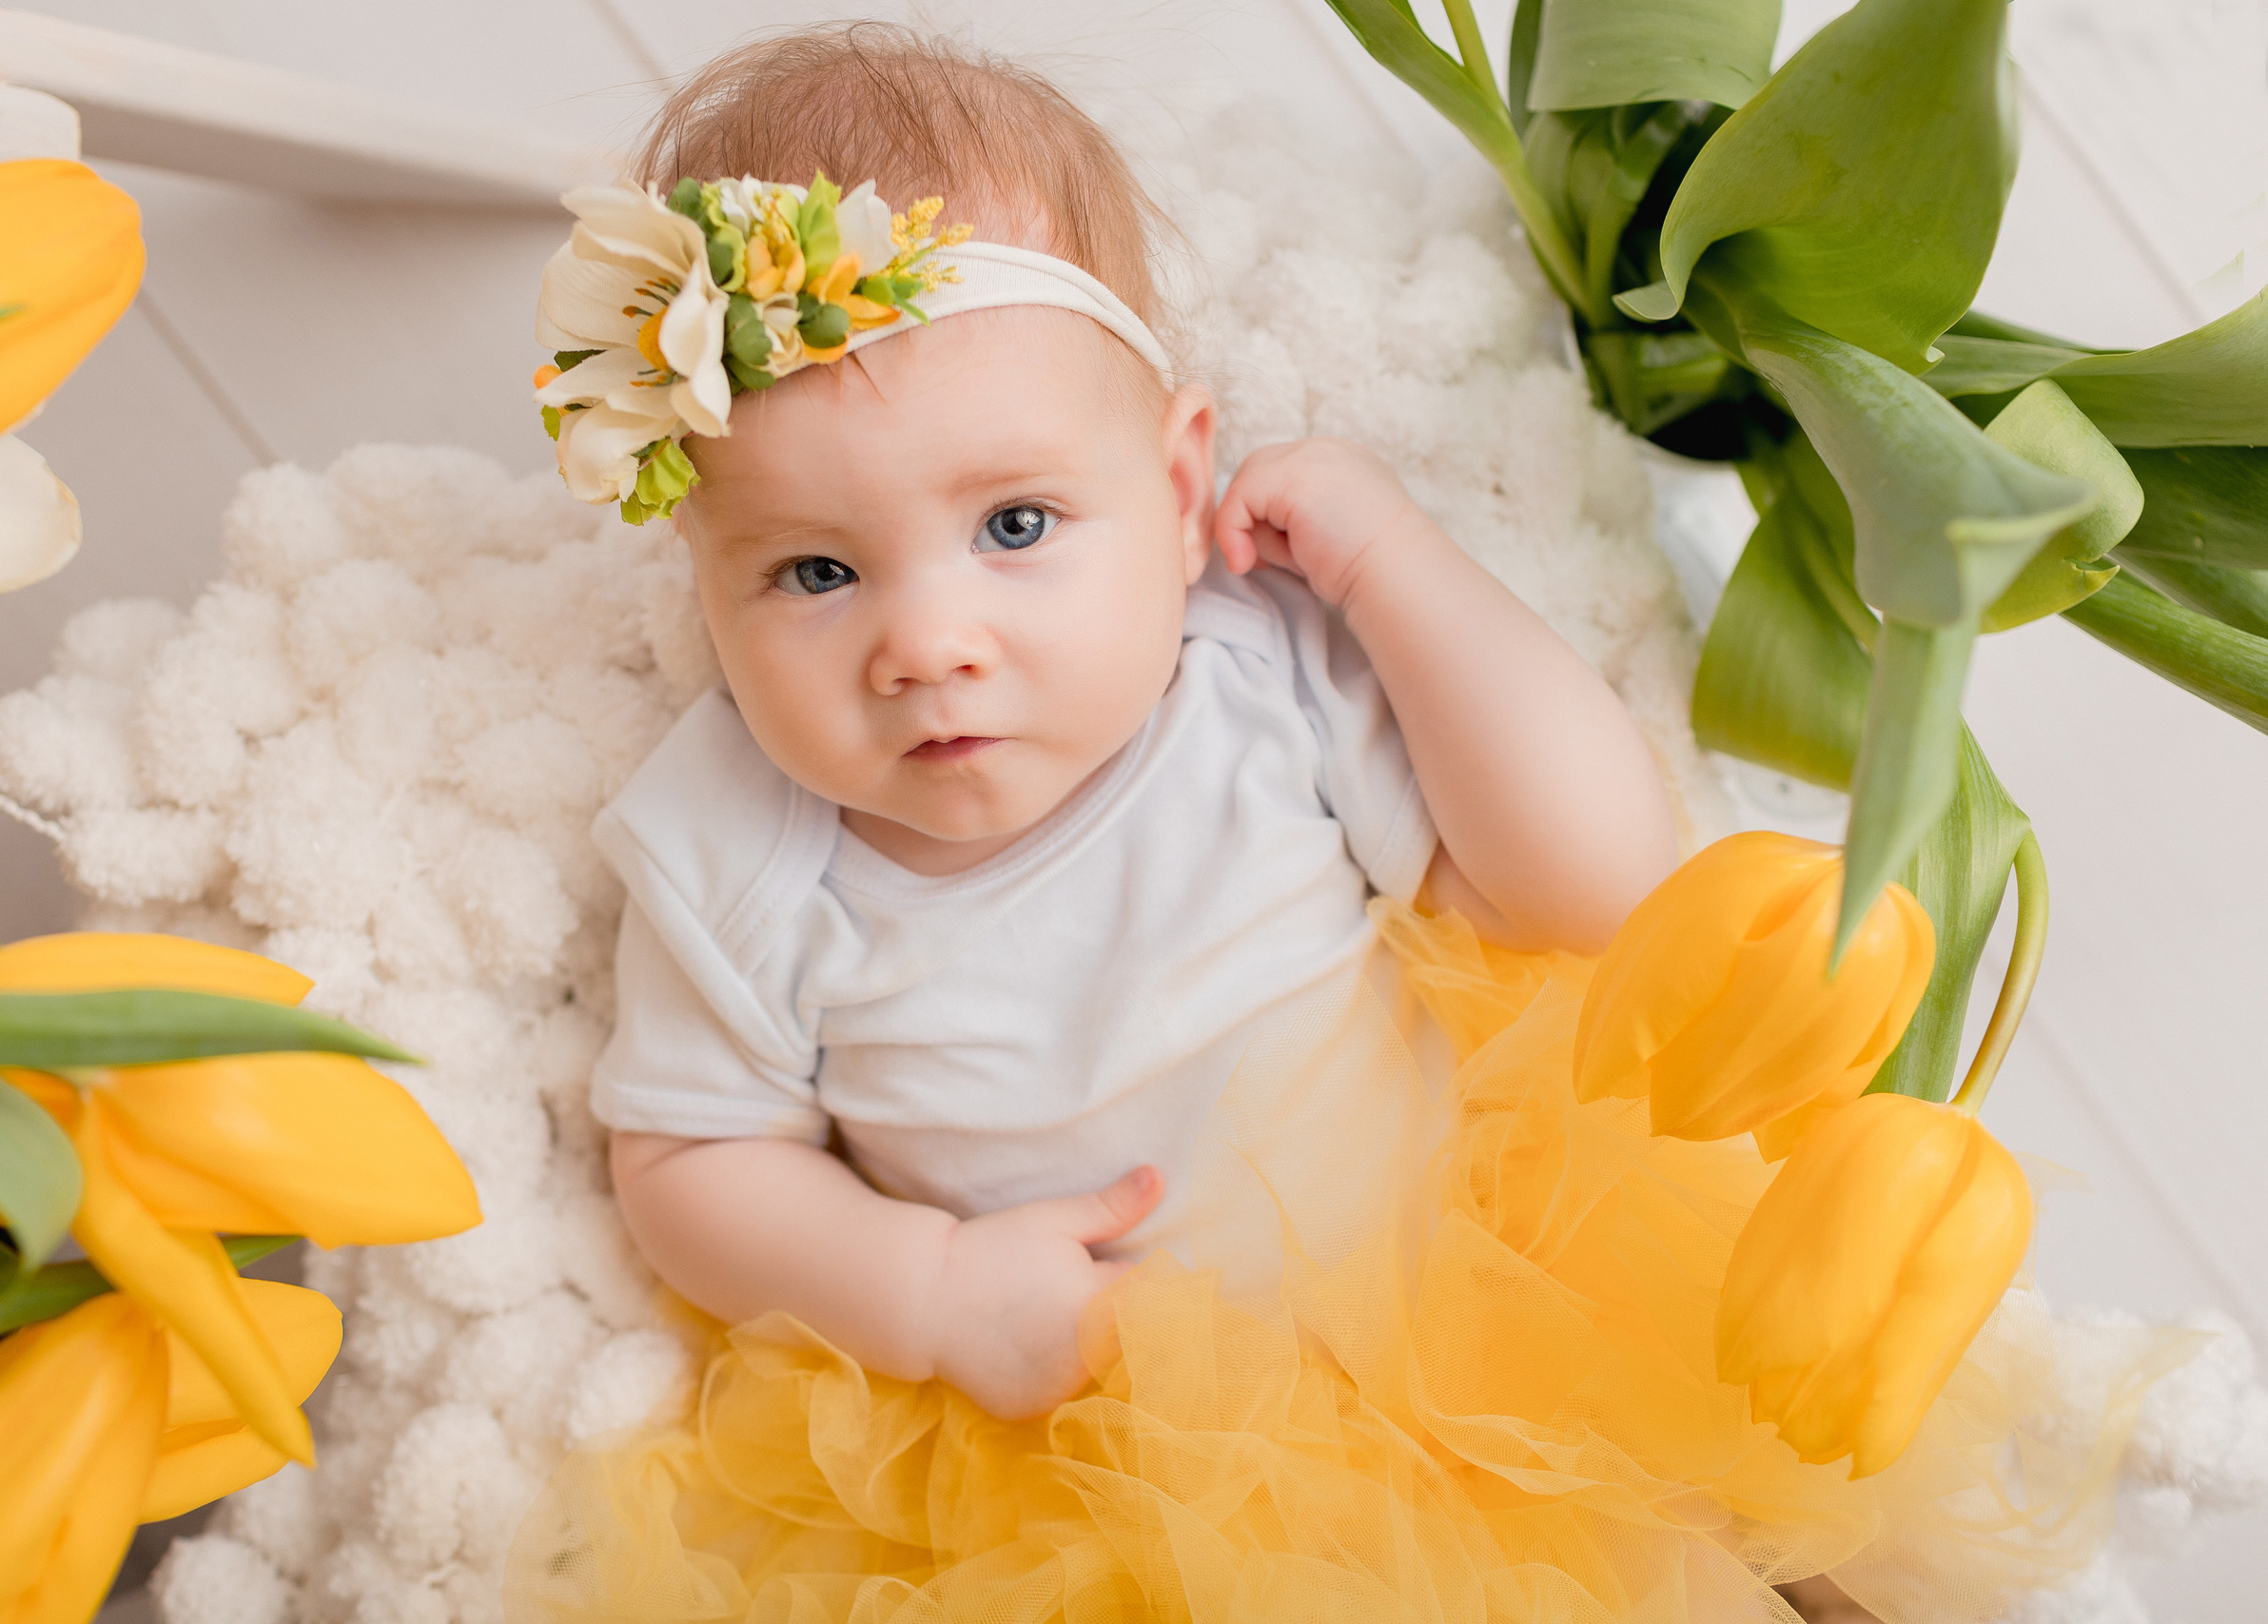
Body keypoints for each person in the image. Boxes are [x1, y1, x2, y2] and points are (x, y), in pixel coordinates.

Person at [504, 27, 2110, 1624]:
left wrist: (1393, 569)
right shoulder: (732, 850)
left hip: (1502, 1281)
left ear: (1178, 473)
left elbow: (1594, 877)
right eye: (813, 572)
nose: (925, 642)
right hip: (1144, 1456)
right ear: (702, 584)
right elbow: (693, 1165)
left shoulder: (1251, 664)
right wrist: (924, 1295)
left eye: (1014, 526)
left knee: (1761, 1522)